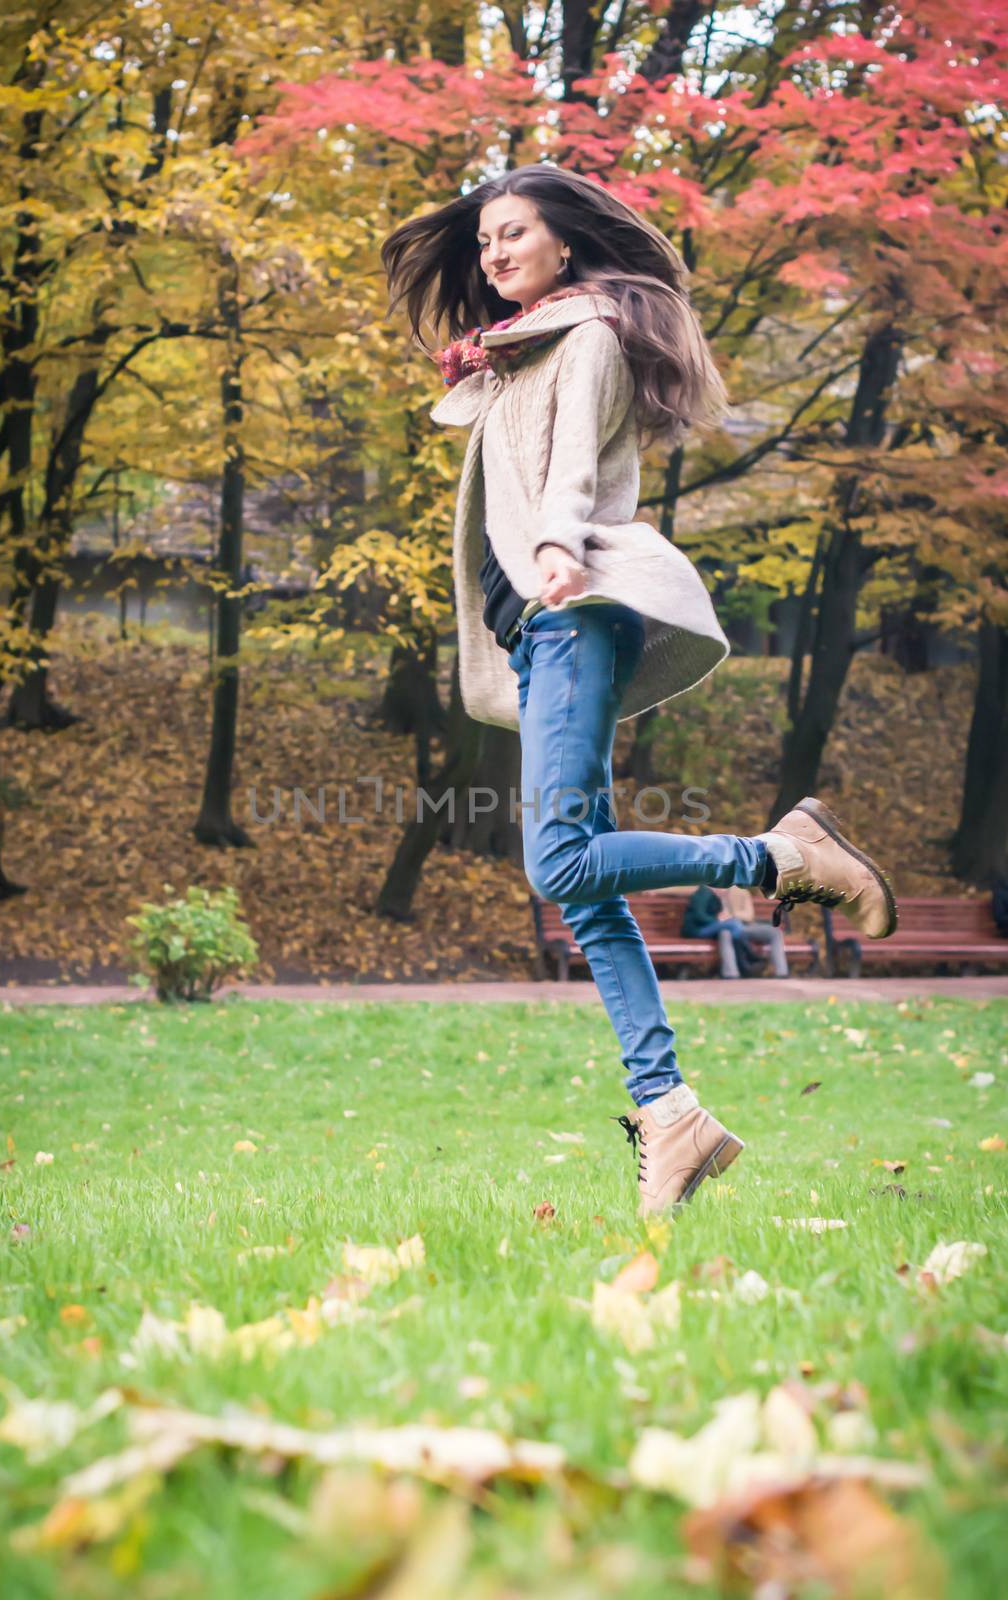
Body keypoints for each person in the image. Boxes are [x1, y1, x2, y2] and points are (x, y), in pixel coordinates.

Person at [380, 164, 897, 1216]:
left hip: (569, 609)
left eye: (513, 232)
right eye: (483, 239)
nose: (490, 253)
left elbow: (569, 466)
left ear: (565, 243)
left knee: (558, 858)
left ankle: (783, 858)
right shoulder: (531, 347)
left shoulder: (588, 339)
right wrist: (492, 349)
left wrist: (561, 543)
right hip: (538, 632)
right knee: (585, 887)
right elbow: (475, 410)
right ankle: (668, 1111)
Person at [681, 883, 787, 979]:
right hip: (723, 928)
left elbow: (748, 916)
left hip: (742, 925)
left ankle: (781, 972)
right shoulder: (707, 893)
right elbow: (703, 915)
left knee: (773, 932)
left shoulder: (739, 892)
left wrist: (730, 916)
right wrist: (720, 918)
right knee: (726, 931)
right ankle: (734, 970)